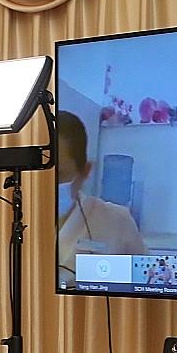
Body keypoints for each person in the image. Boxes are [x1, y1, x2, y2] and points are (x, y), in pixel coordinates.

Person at [55, 111, 146, 272]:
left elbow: (146, 281)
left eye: (58, 175)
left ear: (85, 171)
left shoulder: (117, 221)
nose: (46, 185)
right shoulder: (7, 221)